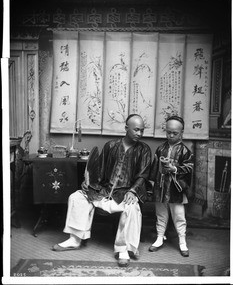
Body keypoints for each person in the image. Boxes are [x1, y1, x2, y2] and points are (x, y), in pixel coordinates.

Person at [52, 114, 152, 267]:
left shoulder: (144, 150)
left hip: (125, 193)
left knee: (132, 208)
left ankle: (123, 249)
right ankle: (75, 239)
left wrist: (133, 191)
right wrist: (88, 183)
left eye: (142, 131)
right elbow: (99, 171)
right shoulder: (110, 146)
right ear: (126, 128)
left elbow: (143, 175)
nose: (139, 134)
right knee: (76, 197)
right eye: (136, 130)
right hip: (103, 191)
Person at [148, 115, 194, 257]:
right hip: (161, 187)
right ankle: (159, 237)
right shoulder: (161, 148)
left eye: (175, 133)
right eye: (168, 132)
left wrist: (174, 169)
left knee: (179, 215)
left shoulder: (185, 151)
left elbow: (189, 167)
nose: (171, 135)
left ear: (181, 133)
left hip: (177, 188)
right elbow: (154, 167)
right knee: (160, 214)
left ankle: (182, 241)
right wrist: (151, 184)